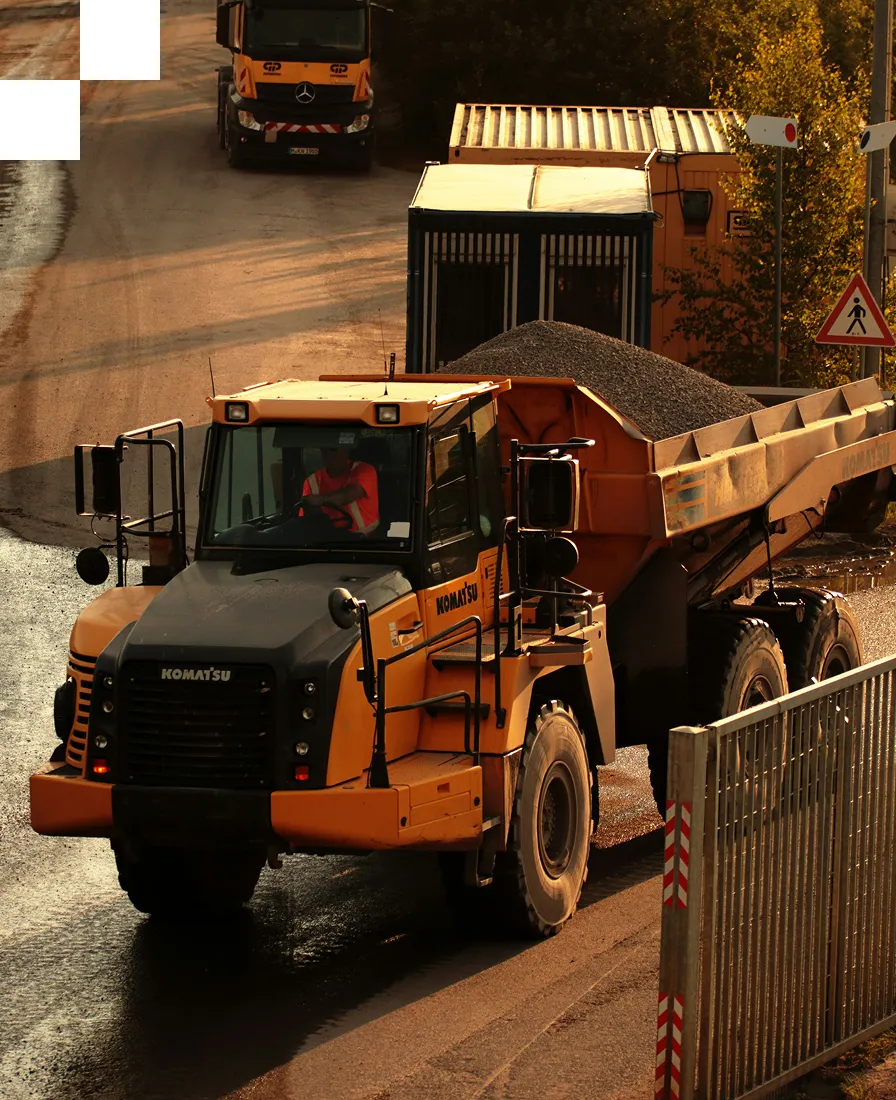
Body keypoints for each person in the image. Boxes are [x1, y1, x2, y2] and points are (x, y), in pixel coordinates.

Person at [301, 446, 379, 534]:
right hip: (326, 540)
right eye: (324, 450)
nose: (328, 454)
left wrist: (321, 499)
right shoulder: (311, 481)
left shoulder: (365, 470)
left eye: (333, 449)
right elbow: (304, 520)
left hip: (365, 540)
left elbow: (349, 494)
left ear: (346, 450)